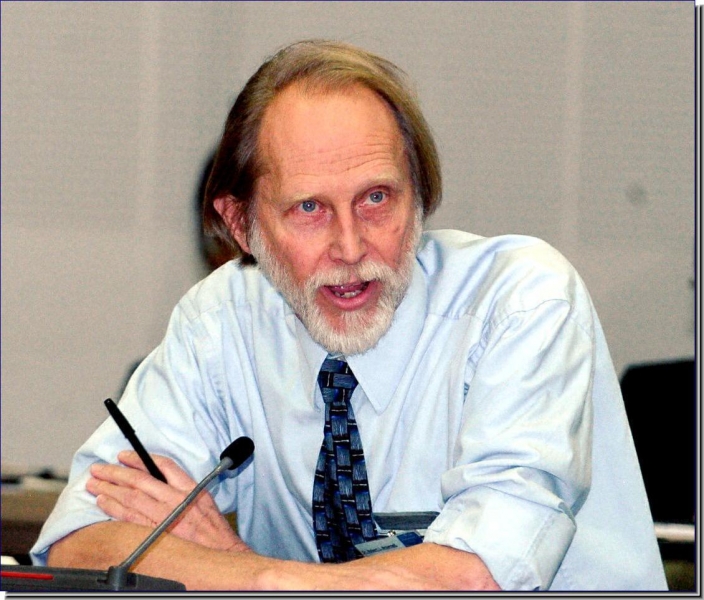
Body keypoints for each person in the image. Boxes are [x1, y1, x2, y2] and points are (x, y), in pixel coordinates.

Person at [32, 39, 666, 591]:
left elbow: (478, 579)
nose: (351, 247)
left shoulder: (521, 301)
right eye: (309, 208)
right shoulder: (220, 322)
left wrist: (242, 570)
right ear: (242, 225)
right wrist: (260, 577)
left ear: (421, 198)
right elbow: (79, 543)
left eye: (376, 198)